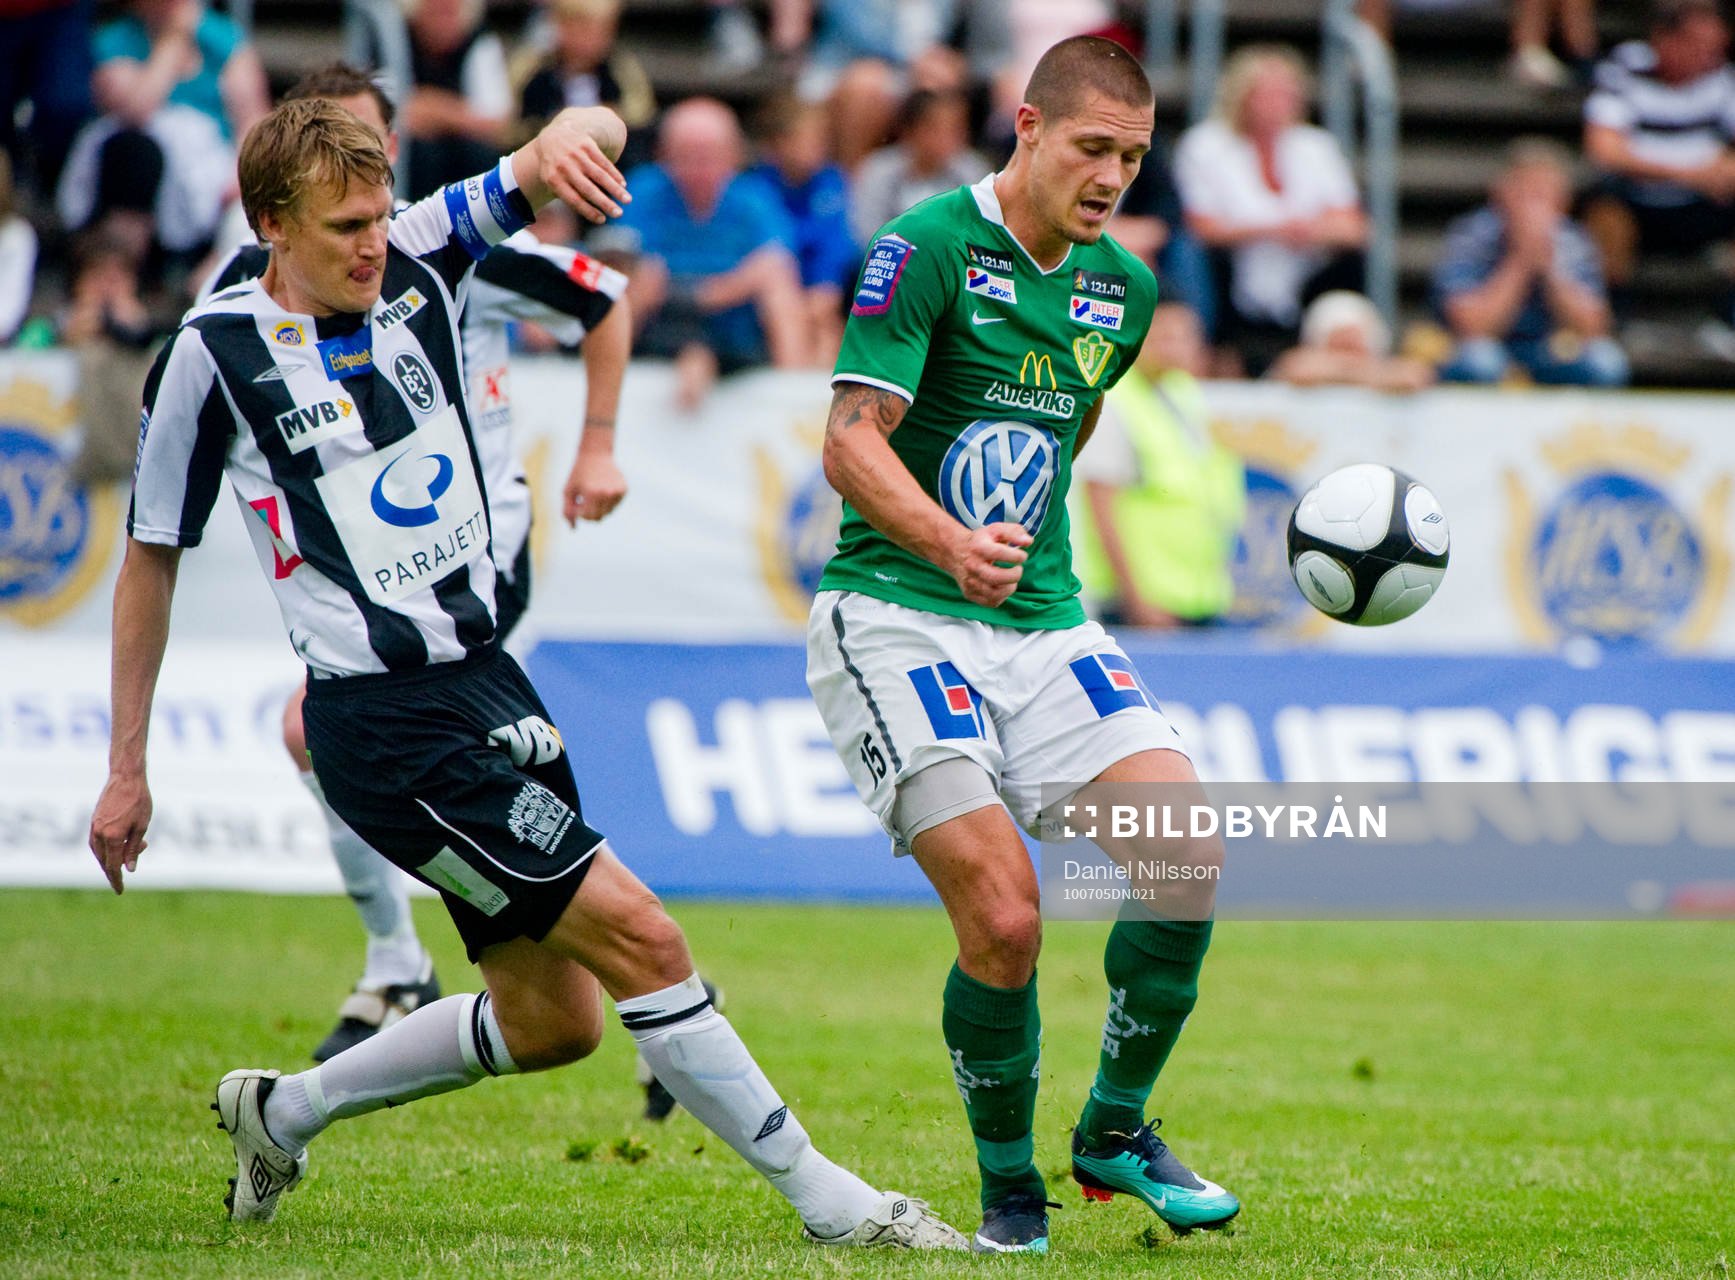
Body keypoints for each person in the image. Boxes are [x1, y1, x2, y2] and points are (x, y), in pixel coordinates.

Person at [87, 96, 964, 1251]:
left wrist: (572, 137)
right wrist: (125, 769)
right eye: (346, 225)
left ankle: (283, 1107)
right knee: (645, 934)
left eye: (380, 214)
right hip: (387, 728)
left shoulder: (419, 257)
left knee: (556, 1023)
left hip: (491, 682)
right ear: (269, 223)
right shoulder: (210, 354)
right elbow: (148, 558)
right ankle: (832, 1203)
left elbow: (558, 148)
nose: (372, 243)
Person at [806, 35, 1240, 1254]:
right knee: (1004, 918)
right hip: (892, 608)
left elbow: (1074, 422)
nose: (1111, 177)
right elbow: (848, 438)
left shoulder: (1126, 291)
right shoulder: (927, 245)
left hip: (1039, 620)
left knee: (1187, 852)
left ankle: (1112, 1129)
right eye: (1094, 148)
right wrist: (950, 541)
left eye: (1134, 157)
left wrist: (1015, 562)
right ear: (1028, 127)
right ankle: (1009, 1194)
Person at [193, 62, 631, 1065]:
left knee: (332, 728)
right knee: (475, 775)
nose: (360, 212)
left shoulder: (433, 242)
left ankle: (415, 958)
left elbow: (602, 298)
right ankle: (608, 958)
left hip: (469, 555)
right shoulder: (253, 295)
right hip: (361, 564)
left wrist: (598, 440)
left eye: (369, 156)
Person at [1174, 44, 1367, 376]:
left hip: (1302, 278)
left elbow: (1354, 227)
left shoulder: (1316, 147)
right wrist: (1273, 229)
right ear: (1242, 96)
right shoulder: (1206, 145)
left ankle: (1341, 365)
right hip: (1230, 278)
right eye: (1268, 94)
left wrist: (1308, 231)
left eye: (1287, 94)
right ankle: (1211, 355)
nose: (1280, 104)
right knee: (1193, 256)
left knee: (1350, 261)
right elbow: (1199, 225)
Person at [617, 97, 807, 408]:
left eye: (708, 157)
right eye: (686, 156)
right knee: (623, 277)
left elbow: (776, 260)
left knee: (779, 279)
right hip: (659, 316)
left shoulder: (754, 198)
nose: (698, 169)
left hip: (733, 322)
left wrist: (717, 291)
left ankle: (794, 399)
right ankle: (596, 380)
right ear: (665, 155)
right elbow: (625, 257)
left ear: (732, 156)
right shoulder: (643, 191)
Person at [1073, 302, 1246, 629]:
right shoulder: (1112, 399)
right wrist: (1135, 599)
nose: (1174, 347)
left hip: (1198, 597)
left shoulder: (1185, 394)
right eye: (1163, 336)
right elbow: (1101, 506)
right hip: (1145, 606)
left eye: (1184, 337)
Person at [57, 0, 269, 264]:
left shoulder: (225, 40)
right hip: (135, 169)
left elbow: (252, 118)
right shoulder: (114, 39)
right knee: (135, 150)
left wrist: (240, 175)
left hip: (206, 170)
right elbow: (137, 109)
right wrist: (170, 46)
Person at [1580, 0, 1735, 355]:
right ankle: (1612, 321)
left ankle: (1729, 320)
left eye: (1715, 47)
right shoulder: (1625, 68)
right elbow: (1605, 149)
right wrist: (1691, 173)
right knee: (1604, 212)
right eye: (1698, 45)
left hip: (1702, 207)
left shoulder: (1723, 79)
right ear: (1664, 40)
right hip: (1636, 202)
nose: (1709, 55)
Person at [1434, 139, 1629, 386]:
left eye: (1544, 195)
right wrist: (1520, 261)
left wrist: (1549, 267)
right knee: (1481, 360)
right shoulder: (1471, 236)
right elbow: (1471, 327)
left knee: (1606, 361)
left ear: (1563, 201)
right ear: (1500, 194)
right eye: (1526, 194)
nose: (1535, 207)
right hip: (1483, 349)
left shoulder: (1573, 241)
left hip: (1548, 351)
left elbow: (1592, 327)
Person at [748, 95, 860, 366]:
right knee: (790, 314)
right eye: (808, 139)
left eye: (822, 140)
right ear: (780, 143)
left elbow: (838, 242)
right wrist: (796, 299)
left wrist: (827, 284)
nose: (818, 148)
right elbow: (774, 243)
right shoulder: (756, 186)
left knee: (828, 331)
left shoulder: (831, 181)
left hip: (821, 295)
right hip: (772, 297)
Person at [515, 0, 656, 173]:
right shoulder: (533, 67)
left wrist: (610, 117)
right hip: (543, 158)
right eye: (581, 29)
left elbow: (641, 114)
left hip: (609, 158)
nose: (589, 39)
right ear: (559, 26)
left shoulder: (620, 69)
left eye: (601, 31)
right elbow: (510, 122)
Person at [400, 0, 513, 198]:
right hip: (414, 174)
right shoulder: (396, 39)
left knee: (478, 153)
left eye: (450, 12)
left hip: (466, 173)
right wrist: (460, 114)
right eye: (435, 11)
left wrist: (434, 108)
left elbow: (496, 123)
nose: (442, 21)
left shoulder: (480, 42)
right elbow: (395, 114)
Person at [849, 89, 989, 247]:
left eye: (955, 129)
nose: (947, 138)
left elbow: (979, 232)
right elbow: (867, 233)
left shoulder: (972, 172)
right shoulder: (878, 171)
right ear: (910, 131)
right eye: (935, 129)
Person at [1270, 289, 1437, 391]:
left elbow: (1414, 377)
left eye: (1353, 344)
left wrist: (1342, 373)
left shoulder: (1390, 369)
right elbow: (1298, 371)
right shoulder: (1296, 363)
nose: (1347, 353)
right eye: (1339, 345)